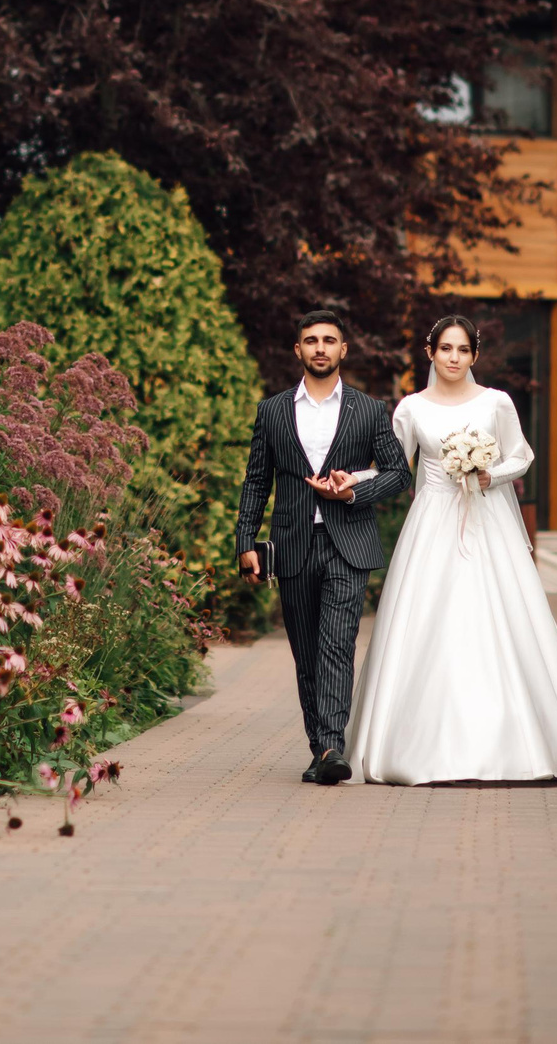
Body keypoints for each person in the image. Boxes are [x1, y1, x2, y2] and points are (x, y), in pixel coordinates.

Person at [346, 314, 557, 786]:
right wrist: (351, 480)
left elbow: (521, 456)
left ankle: (522, 744)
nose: (453, 358)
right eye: (445, 349)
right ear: (430, 353)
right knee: (426, 619)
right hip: (433, 521)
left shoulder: (496, 403)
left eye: (462, 350)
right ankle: (414, 746)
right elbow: (393, 469)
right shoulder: (410, 409)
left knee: (503, 617)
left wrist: (489, 474)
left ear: (474, 356)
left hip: (488, 521)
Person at [235, 311, 411, 786]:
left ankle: (333, 745)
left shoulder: (370, 410)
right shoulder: (271, 411)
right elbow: (256, 480)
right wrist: (244, 542)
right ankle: (320, 748)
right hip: (292, 544)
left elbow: (398, 473)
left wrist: (352, 490)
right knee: (306, 652)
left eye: (329, 340)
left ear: (342, 350)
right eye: (310, 340)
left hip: (347, 542)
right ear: (298, 350)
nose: (319, 348)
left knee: (336, 644)